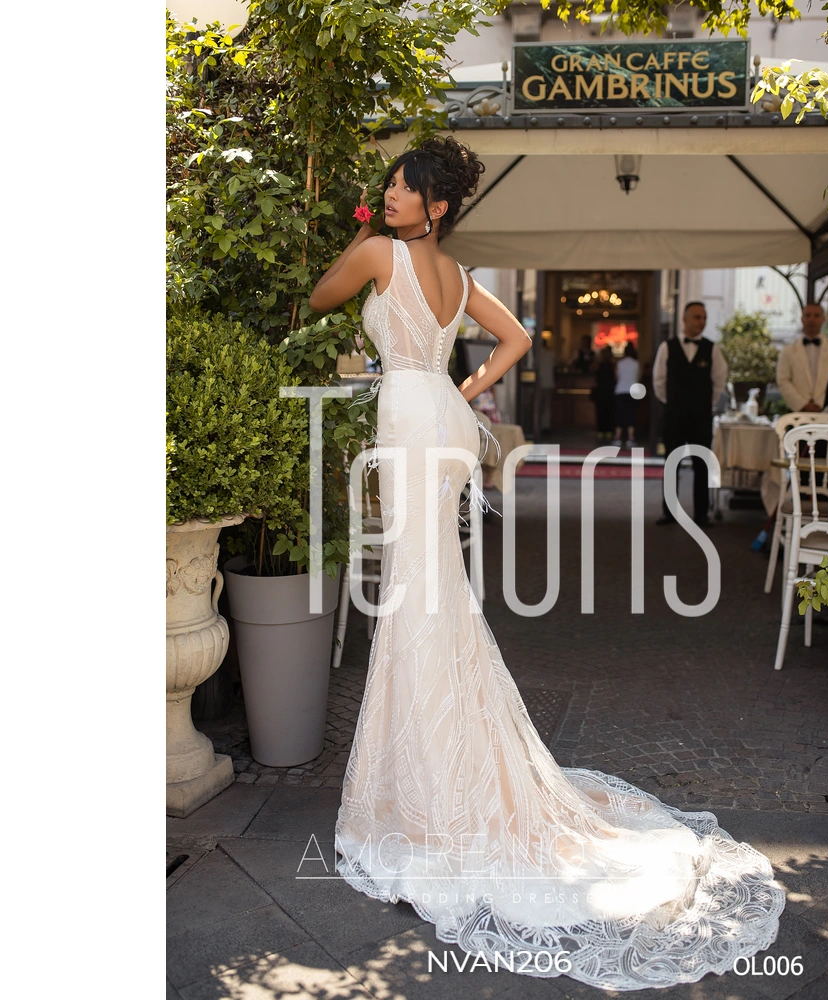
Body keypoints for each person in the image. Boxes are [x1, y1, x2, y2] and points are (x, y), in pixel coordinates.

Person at [308, 136, 782, 991]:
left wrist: (356, 236)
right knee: (434, 589)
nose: (388, 193)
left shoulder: (377, 252)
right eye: (388, 185)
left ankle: (424, 788)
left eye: (401, 186)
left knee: (418, 592)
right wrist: (462, 390)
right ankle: (435, 768)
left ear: (435, 205)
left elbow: (318, 297)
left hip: (410, 419)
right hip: (443, 418)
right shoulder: (458, 276)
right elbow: (517, 338)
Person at [652, 302, 728, 526]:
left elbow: (719, 381)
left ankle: (701, 514)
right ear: (684, 320)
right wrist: (674, 402)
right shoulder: (667, 347)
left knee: (701, 465)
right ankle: (669, 512)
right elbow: (659, 382)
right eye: (697, 317)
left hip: (701, 416)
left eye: (704, 318)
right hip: (674, 415)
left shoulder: (712, 349)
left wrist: (704, 404)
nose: (701, 322)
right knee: (671, 464)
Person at [776, 303, 828, 413]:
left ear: (823, 319)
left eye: (816, 315)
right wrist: (802, 404)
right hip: (798, 412)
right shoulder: (788, 350)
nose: (812, 319)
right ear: (802, 319)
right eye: (808, 315)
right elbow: (783, 380)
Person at [611, 342, 640, 447]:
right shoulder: (636, 364)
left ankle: (617, 437)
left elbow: (616, 377)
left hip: (620, 390)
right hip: (633, 391)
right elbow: (638, 377)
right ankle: (630, 437)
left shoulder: (620, 363)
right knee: (631, 414)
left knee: (620, 414)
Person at [590, 346, 616, 441]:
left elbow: (591, 370)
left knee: (601, 412)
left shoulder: (599, 365)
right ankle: (609, 431)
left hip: (601, 391)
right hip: (609, 391)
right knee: (609, 412)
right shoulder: (612, 365)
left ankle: (601, 431)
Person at [535, 335, 556, 435]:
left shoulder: (536, 355)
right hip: (548, 383)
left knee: (537, 406)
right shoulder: (551, 354)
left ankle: (536, 426)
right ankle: (545, 426)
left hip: (538, 383)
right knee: (546, 406)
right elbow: (555, 367)